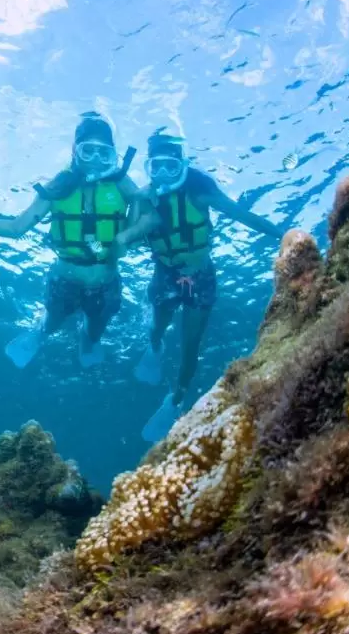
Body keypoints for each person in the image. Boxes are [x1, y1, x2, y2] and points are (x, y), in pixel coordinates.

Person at [113, 131, 285, 442]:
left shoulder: (200, 189)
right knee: (156, 326)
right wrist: (137, 202)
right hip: (164, 274)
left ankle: (175, 400)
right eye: (156, 167)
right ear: (148, 167)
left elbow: (243, 216)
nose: (163, 174)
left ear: (182, 164)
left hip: (201, 276)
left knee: (191, 344)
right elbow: (129, 237)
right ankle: (154, 348)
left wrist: (283, 235)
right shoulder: (146, 196)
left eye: (170, 165)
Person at [0, 112, 141, 369]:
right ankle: (40, 331)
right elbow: (18, 227)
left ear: (112, 156)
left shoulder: (122, 184)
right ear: (75, 152)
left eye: (102, 153)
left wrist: (133, 220)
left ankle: (88, 339)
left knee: (96, 329)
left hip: (106, 282)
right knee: (52, 322)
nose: (95, 160)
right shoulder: (58, 187)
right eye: (88, 151)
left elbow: (145, 213)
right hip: (65, 279)